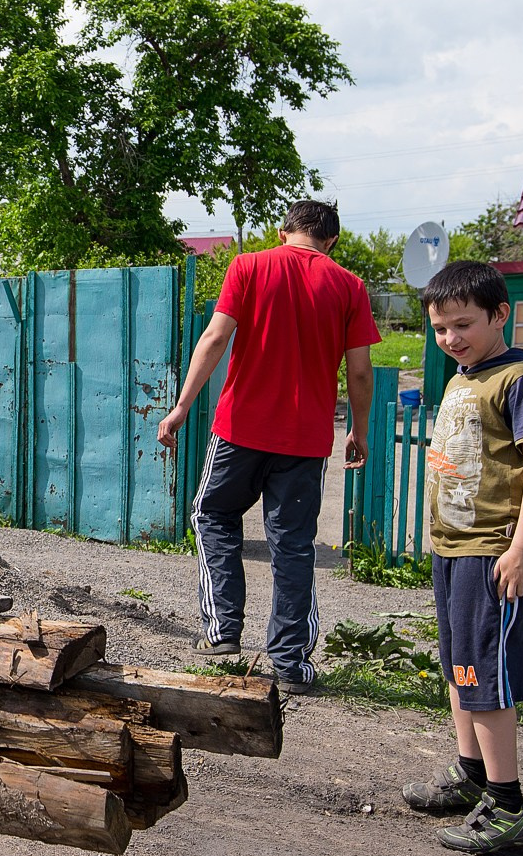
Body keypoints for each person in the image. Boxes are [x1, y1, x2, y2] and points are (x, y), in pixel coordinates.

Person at [157, 200, 379, 692]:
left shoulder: (249, 265)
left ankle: (221, 632)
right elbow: (360, 371)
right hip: (306, 439)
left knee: (211, 513)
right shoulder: (350, 286)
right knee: (293, 544)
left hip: (240, 429)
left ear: (284, 232)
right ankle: (291, 662)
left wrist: (181, 406)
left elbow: (215, 338)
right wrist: (359, 430)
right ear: (332, 241)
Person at [400, 260, 523, 854]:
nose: (451, 338)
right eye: (441, 328)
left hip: (496, 553)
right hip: (455, 549)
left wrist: (520, 549)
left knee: (487, 675)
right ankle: (472, 775)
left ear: (500, 315)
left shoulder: (519, 380)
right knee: (460, 666)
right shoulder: (460, 377)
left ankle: (508, 804)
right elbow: (458, 457)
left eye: (463, 325)